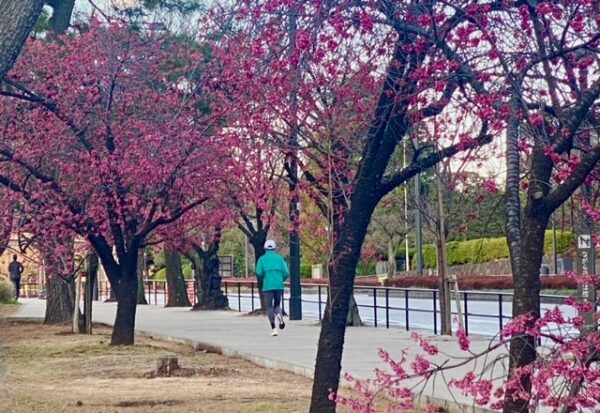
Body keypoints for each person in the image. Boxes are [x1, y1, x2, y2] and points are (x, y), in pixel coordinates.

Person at [256, 240, 289, 336]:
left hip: (267, 286)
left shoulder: (262, 259)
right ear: (274, 248)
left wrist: (264, 278)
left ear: (265, 248)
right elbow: (286, 272)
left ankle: (274, 329)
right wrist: (281, 279)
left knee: (270, 307)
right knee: (277, 305)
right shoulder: (279, 259)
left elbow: (258, 272)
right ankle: (279, 315)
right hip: (279, 285)